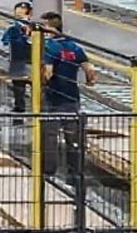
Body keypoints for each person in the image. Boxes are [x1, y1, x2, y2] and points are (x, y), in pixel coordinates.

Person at [40, 11, 96, 178]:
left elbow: (48, 72)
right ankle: (75, 172)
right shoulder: (74, 47)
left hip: (53, 98)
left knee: (50, 136)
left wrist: (41, 83)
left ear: (48, 28)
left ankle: (48, 171)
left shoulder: (50, 47)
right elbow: (90, 69)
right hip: (72, 97)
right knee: (73, 138)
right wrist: (90, 81)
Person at [0, 1, 34, 111]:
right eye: (18, 16)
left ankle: (37, 110)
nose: (21, 19)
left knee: (37, 89)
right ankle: (19, 109)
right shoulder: (13, 30)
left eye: (23, 15)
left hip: (33, 63)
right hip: (17, 62)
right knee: (18, 90)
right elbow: (5, 42)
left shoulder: (36, 29)